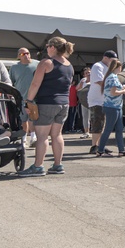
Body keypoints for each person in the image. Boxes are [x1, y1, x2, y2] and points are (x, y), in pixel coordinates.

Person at [20, 36, 76, 176]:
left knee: (42, 136)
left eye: (47, 47)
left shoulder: (46, 63)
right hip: (64, 103)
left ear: (52, 47)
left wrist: (29, 101)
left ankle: (38, 166)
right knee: (57, 135)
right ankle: (58, 165)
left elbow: (35, 84)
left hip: (46, 103)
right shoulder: (69, 65)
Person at [94, 59, 125, 158]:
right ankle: (100, 150)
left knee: (119, 129)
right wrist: (124, 91)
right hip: (112, 106)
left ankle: (121, 150)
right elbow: (113, 92)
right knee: (108, 129)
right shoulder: (112, 77)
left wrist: (122, 88)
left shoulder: (111, 76)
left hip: (115, 106)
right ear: (117, 67)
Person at [87, 50, 118, 155]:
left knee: (103, 123)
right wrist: (113, 88)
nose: (113, 62)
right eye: (112, 60)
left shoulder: (108, 68)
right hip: (96, 99)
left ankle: (101, 145)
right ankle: (94, 146)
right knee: (97, 122)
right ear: (106, 58)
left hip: (104, 100)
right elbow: (100, 81)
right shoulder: (97, 66)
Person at [9, 48, 40, 148]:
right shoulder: (14, 67)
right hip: (20, 97)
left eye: (27, 53)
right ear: (18, 56)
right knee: (23, 120)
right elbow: (11, 82)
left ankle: (33, 138)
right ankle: (23, 139)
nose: (26, 55)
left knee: (33, 118)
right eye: (22, 54)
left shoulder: (38, 64)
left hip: (35, 97)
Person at [77, 68, 92, 139]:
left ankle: (95, 131)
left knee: (93, 116)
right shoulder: (83, 81)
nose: (88, 74)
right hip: (84, 101)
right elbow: (77, 88)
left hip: (93, 101)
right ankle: (86, 132)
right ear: (84, 75)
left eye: (89, 72)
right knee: (85, 117)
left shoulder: (95, 80)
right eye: (86, 73)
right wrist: (81, 83)